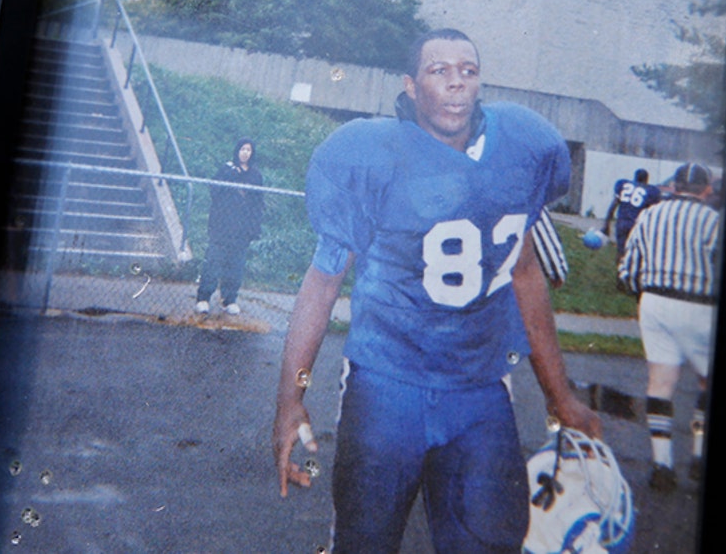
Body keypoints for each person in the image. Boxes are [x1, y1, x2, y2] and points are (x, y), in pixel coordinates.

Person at [272, 29, 600, 553]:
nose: (456, 84)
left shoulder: (520, 147)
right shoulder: (372, 153)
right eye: (438, 71)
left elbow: (525, 275)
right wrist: (292, 399)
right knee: (365, 543)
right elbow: (323, 282)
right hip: (387, 384)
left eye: (467, 71)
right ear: (410, 85)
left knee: (490, 543)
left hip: (479, 388)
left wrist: (561, 397)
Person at [617, 162, 720, 492]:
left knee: (660, 383)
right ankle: (699, 457)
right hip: (701, 305)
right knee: (706, 382)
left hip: (656, 302)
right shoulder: (714, 221)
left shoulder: (651, 215)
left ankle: (662, 466)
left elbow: (629, 269)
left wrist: (640, 291)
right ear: (706, 190)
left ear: (674, 186)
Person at [195, 137, 263, 316]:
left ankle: (229, 300)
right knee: (213, 262)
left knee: (236, 266)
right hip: (222, 227)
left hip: (242, 231)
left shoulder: (256, 175)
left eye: (249, 150)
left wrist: (253, 229)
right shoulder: (226, 170)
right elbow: (215, 191)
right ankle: (203, 298)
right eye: (242, 149)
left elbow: (258, 203)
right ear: (237, 150)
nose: (245, 153)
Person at [602, 168, 662, 260]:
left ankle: (620, 272)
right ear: (647, 180)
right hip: (637, 225)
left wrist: (606, 225)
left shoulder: (624, 185)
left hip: (622, 223)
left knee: (621, 252)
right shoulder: (651, 191)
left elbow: (613, 205)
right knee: (637, 254)